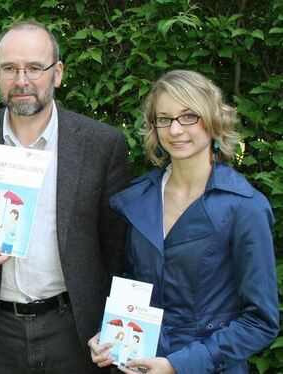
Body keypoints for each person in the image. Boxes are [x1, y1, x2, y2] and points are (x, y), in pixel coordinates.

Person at [0, 20, 130, 373]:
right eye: (9, 68)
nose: (21, 80)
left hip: (74, 328)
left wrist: (114, 325)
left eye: (35, 68)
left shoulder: (101, 144)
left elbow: (116, 247)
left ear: (57, 73)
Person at [88, 70, 279, 374]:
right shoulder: (139, 199)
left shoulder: (245, 208)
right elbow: (132, 284)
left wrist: (177, 365)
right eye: (164, 119)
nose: (175, 129)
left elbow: (260, 322)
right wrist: (110, 333)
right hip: (137, 364)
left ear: (213, 121)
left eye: (189, 116)